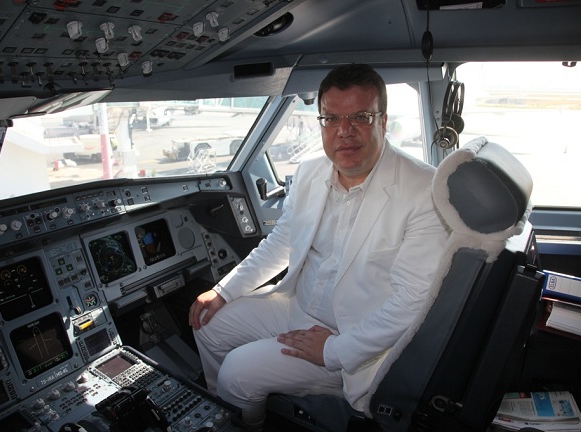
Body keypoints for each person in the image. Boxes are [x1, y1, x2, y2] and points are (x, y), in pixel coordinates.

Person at [188, 63, 449, 429]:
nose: (345, 131)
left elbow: (410, 304)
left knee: (238, 373)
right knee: (207, 324)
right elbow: (281, 243)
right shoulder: (310, 172)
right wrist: (223, 291)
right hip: (297, 306)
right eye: (332, 119)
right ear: (321, 122)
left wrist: (332, 351)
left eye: (360, 117)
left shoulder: (424, 191)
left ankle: (246, 414)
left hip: (352, 339)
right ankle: (223, 414)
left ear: (383, 121)